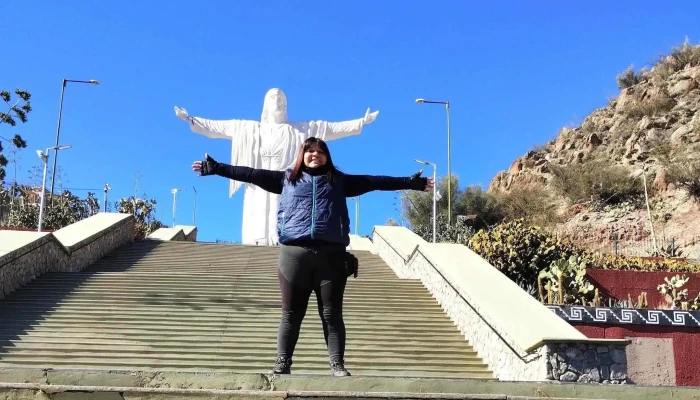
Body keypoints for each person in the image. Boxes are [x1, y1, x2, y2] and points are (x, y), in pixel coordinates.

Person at [191, 137, 434, 377]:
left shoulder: (340, 181)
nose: (314, 155)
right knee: (290, 314)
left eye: (320, 151)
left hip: (332, 257)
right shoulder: (286, 179)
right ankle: (282, 363)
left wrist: (410, 183)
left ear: (327, 156)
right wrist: (217, 168)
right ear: (302, 155)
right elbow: (250, 173)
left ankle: (337, 364)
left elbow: (375, 181)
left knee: (332, 314)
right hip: (294, 256)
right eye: (309, 151)